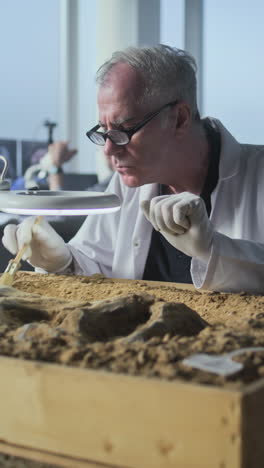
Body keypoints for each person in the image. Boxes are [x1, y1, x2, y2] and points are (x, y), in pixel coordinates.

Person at [2, 44, 264, 294]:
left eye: (124, 130)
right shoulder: (129, 181)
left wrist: (214, 250)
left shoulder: (258, 174)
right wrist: (63, 261)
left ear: (180, 118)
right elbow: (98, 268)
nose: (109, 150)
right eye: (104, 132)